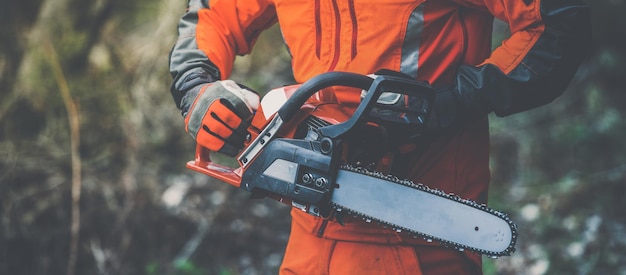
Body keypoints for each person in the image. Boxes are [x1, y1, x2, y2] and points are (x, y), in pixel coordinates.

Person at [169, 0, 591, 273]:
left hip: (422, 235)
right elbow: (215, 14)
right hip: (311, 231)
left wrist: (453, 101)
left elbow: (554, 22)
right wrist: (196, 84)